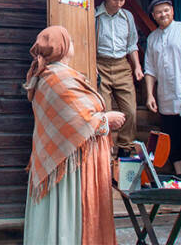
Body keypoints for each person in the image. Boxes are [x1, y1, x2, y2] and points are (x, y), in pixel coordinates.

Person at [23, 26, 125, 245]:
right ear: (61, 47)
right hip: (68, 164)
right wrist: (107, 119)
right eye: (69, 40)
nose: (73, 44)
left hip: (59, 156)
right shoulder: (58, 77)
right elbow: (81, 120)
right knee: (67, 210)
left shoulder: (48, 75)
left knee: (55, 211)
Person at [144, 0, 181, 181]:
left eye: (166, 10)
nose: (163, 14)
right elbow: (150, 69)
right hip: (166, 96)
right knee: (172, 139)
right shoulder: (152, 38)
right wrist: (150, 95)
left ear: (173, 11)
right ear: (153, 15)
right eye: (159, 12)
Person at [94, 0, 142, 155]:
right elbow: (89, 44)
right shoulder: (95, 16)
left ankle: (125, 148)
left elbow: (132, 45)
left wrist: (137, 67)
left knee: (130, 110)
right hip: (100, 64)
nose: (119, 3)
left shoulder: (128, 17)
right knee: (104, 110)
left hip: (122, 65)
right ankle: (105, 148)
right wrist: (92, 65)